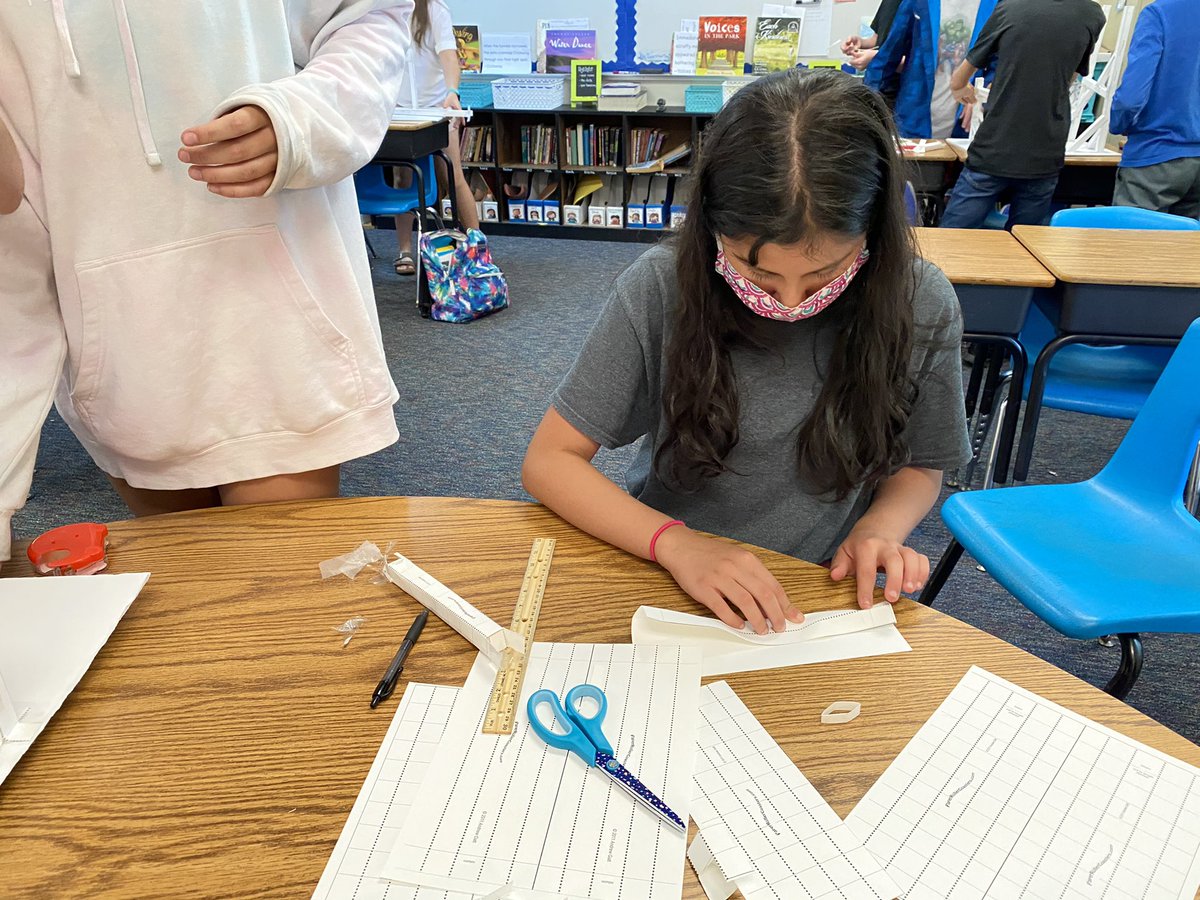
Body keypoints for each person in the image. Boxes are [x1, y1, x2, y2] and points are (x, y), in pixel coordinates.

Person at [522, 70, 971, 633]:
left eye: (823, 273)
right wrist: (675, 544)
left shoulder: (919, 300)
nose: (787, 302)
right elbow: (549, 462)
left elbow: (922, 464)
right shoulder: (662, 287)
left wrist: (880, 526)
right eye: (757, 270)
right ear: (711, 226)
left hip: (813, 587)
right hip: (663, 567)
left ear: (871, 234)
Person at [0, 1, 413, 568]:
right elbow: (13, 243)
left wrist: (307, 118)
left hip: (282, 332)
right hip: (122, 355)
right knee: (193, 612)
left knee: (282, 606)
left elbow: (367, 17)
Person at [939, 0, 1106, 229]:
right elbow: (1069, 79)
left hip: (996, 146)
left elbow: (959, 79)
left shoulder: (1010, 7)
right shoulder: (1092, 13)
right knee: (1026, 246)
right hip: (1046, 149)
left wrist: (965, 91)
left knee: (952, 239)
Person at [392, 0, 479, 276]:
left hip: (435, 111)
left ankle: (478, 245)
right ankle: (405, 251)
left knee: (452, 176)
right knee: (402, 179)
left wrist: (452, 91)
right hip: (400, 111)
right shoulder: (383, 9)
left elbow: (449, 56)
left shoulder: (434, 9)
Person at [1110, 0, 1200, 218]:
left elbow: (1130, 99)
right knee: (1183, 249)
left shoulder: (1159, 13)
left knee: (1131, 246)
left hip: (1155, 156)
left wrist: (1119, 124)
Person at [865, 0, 996, 139]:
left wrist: (985, 95)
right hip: (913, 122)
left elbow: (1000, 63)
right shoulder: (920, 2)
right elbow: (888, 57)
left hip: (966, 129)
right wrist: (866, 110)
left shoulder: (997, 5)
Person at [840, 0, 902, 73]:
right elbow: (878, 40)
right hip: (878, 79)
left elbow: (917, 65)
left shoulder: (915, 5)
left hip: (904, 81)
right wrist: (861, 43)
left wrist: (879, 58)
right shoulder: (888, 2)